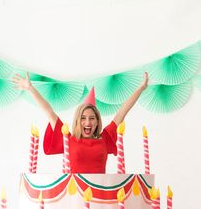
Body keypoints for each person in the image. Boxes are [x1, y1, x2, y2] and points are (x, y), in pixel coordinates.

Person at [13, 72, 149, 173]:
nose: (87, 122)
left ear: (97, 122)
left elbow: (122, 112)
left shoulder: (105, 139)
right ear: (78, 121)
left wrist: (141, 88)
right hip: (74, 196)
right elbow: (49, 111)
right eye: (83, 118)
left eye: (92, 118)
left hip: (99, 195)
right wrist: (30, 88)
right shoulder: (68, 140)